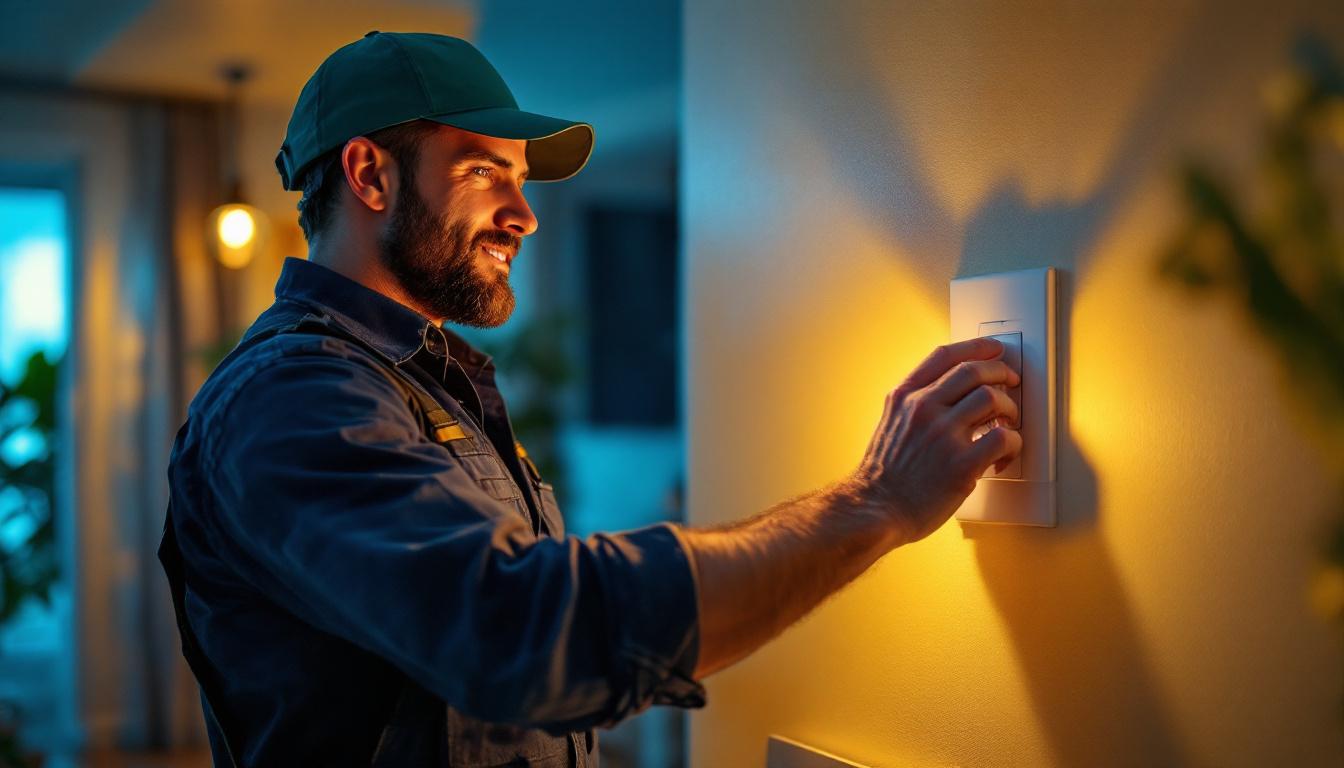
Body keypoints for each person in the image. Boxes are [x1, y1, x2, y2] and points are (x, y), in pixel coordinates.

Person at [161, 32, 1022, 768]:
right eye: (485, 171)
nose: (524, 215)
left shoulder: (423, 383)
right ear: (370, 175)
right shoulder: (292, 397)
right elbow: (526, 634)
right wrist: (876, 503)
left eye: (521, 178)